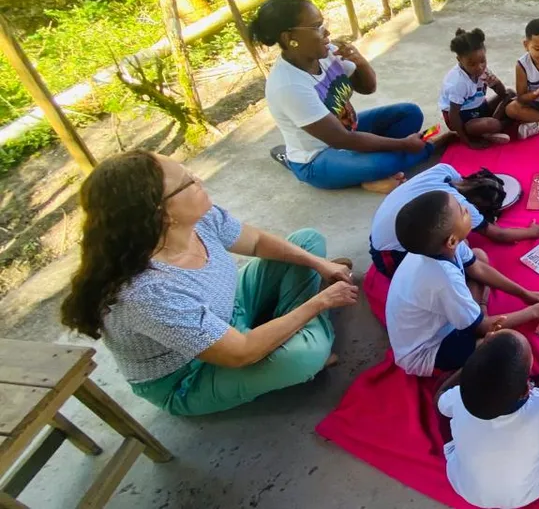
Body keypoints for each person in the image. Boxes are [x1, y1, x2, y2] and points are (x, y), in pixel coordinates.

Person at [59, 151, 358, 416]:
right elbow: (239, 352)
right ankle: (302, 336)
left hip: (228, 310)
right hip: (191, 373)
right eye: (187, 182)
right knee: (303, 359)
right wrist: (320, 302)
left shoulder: (198, 219)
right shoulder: (148, 293)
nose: (197, 179)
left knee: (307, 243)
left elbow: (256, 242)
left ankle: (291, 327)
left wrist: (320, 264)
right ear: (161, 214)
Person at [256, 0, 432, 193]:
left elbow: (367, 88)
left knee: (409, 113)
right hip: (317, 157)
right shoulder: (288, 86)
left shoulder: (325, 52)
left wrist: (359, 61)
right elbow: (342, 140)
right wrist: (405, 145)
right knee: (383, 162)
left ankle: (363, 172)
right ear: (289, 38)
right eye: (317, 27)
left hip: (349, 130)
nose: (327, 32)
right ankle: (367, 174)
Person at [385, 191, 539, 376]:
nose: (467, 209)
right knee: (508, 343)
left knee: (479, 256)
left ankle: (476, 314)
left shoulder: (439, 248)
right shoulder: (443, 279)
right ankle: (470, 336)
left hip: (441, 319)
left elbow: (478, 268)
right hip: (430, 348)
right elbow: (483, 328)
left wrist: (525, 294)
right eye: (462, 212)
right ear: (451, 240)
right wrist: (533, 312)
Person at [438, 330, 539, 509]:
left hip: (466, 489)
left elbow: (441, 403)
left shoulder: (457, 397)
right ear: (527, 389)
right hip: (528, 493)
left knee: (443, 388)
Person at [368, 163, 539, 278]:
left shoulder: (445, 171)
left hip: (381, 232)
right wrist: (533, 232)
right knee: (464, 249)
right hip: (387, 255)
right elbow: (497, 234)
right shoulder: (459, 207)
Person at [441, 28, 514, 148]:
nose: (479, 67)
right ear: (459, 60)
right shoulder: (458, 83)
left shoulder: (482, 71)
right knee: (494, 123)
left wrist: (495, 82)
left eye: (482, 61)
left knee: (510, 93)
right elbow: (453, 115)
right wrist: (467, 141)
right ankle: (491, 128)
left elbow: (502, 93)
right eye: (472, 64)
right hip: (462, 118)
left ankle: (488, 131)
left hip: (479, 107)